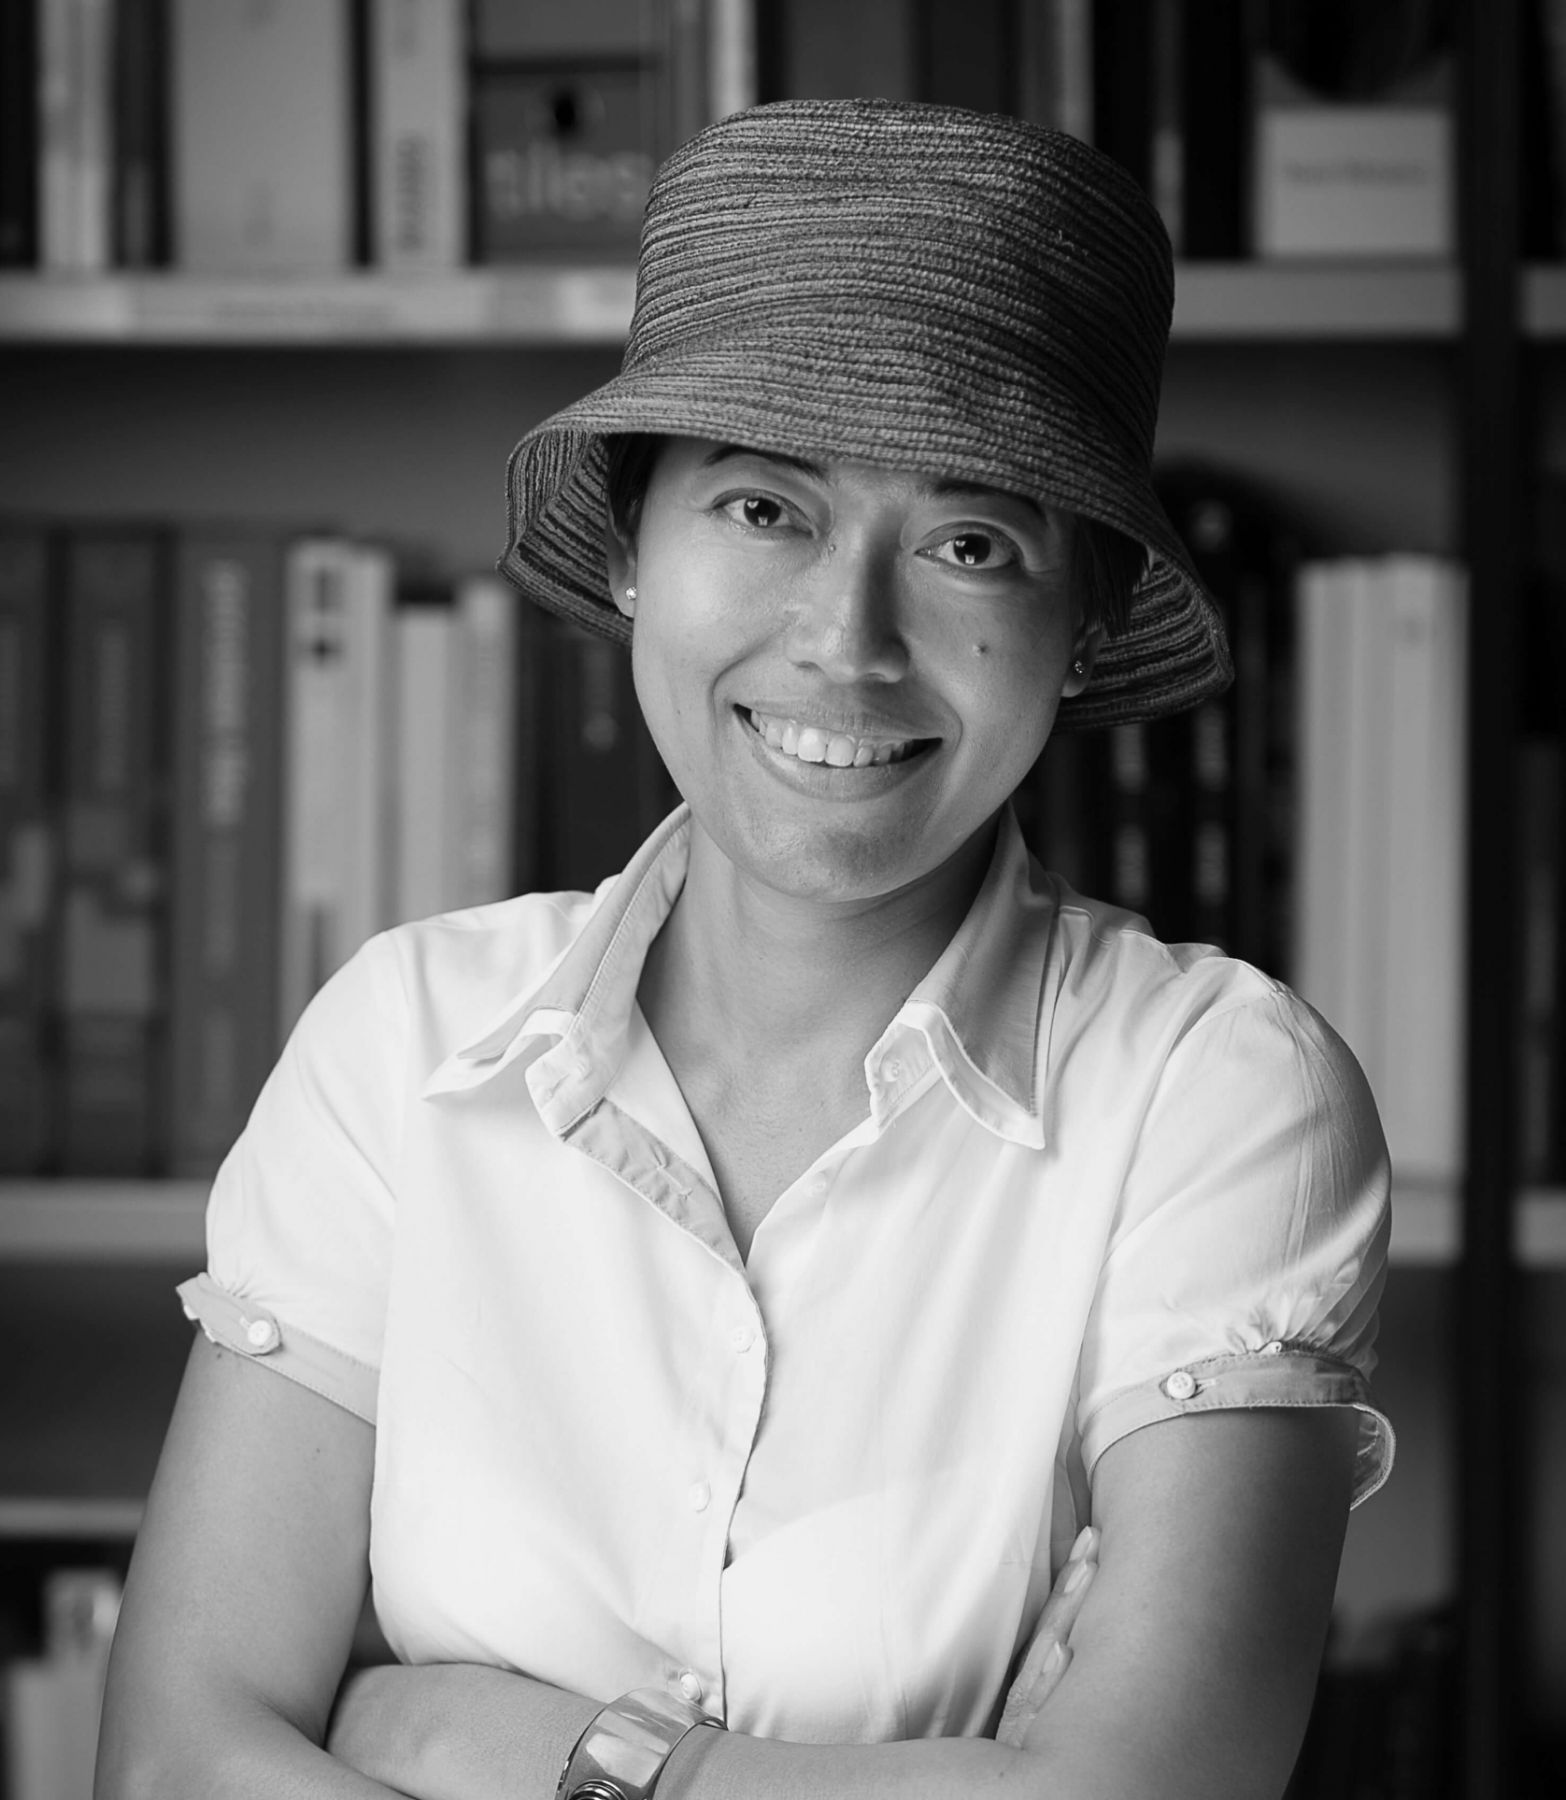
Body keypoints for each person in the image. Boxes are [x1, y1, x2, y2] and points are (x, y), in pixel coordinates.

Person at [97, 99, 1393, 1800]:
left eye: (970, 544)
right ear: (631, 550)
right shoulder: (402, 1042)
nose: (845, 642)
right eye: (764, 509)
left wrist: (524, 1748)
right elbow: (174, 1763)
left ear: (1078, 626)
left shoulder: (1215, 1093)